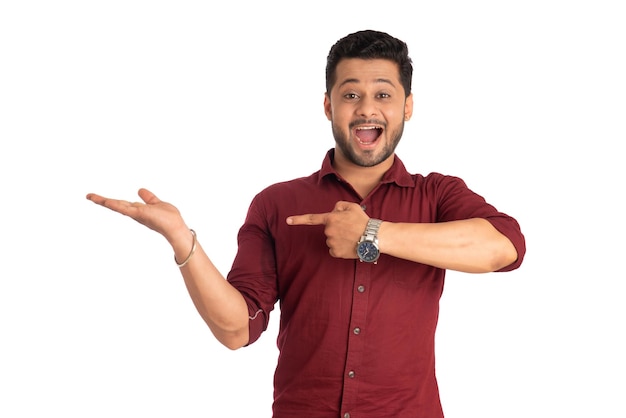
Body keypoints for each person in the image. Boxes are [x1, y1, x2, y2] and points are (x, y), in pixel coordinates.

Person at [87, 29, 526, 418]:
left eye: (384, 95)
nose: (366, 109)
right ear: (327, 105)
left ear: (408, 106)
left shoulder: (438, 195)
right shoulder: (277, 204)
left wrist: (372, 234)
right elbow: (237, 328)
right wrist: (182, 240)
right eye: (351, 94)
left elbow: (504, 247)